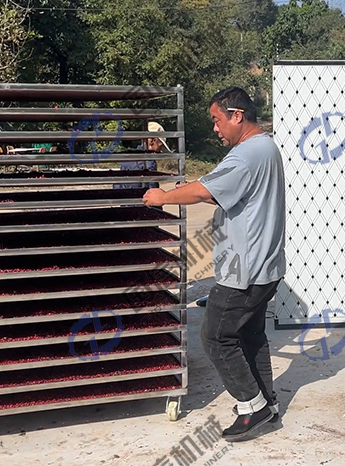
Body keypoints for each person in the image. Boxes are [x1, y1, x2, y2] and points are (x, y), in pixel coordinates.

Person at [143, 87, 285, 441]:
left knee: (215, 336)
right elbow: (229, 195)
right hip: (265, 267)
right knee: (250, 335)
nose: (216, 129)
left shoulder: (245, 155)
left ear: (237, 115)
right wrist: (189, 189)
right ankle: (267, 402)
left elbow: (204, 191)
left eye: (217, 120)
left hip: (244, 270)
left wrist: (164, 196)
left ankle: (252, 406)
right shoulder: (266, 147)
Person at [115, 122, 172, 190]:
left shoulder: (128, 158)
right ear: (152, 141)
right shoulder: (149, 162)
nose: (159, 151)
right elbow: (153, 189)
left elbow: (118, 185)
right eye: (160, 146)